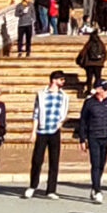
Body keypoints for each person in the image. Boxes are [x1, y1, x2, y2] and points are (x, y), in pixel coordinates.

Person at [24, 71, 70, 199]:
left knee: (54, 161)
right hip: (42, 130)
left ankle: (51, 189)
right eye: (61, 79)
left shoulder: (63, 96)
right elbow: (36, 113)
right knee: (37, 160)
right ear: (54, 80)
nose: (63, 82)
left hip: (55, 131)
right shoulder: (41, 94)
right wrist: (33, 132)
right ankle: (33, 185)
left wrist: (61, 122)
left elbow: (64, 111)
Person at [77, 79, 107, 203]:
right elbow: (83, 121)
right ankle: (97, 190)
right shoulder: (89, 103)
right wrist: (82, 138)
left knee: (101, 164)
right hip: (93, 136)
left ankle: (95, 185)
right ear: (98, 89)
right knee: (95, 164)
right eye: (105, 88)